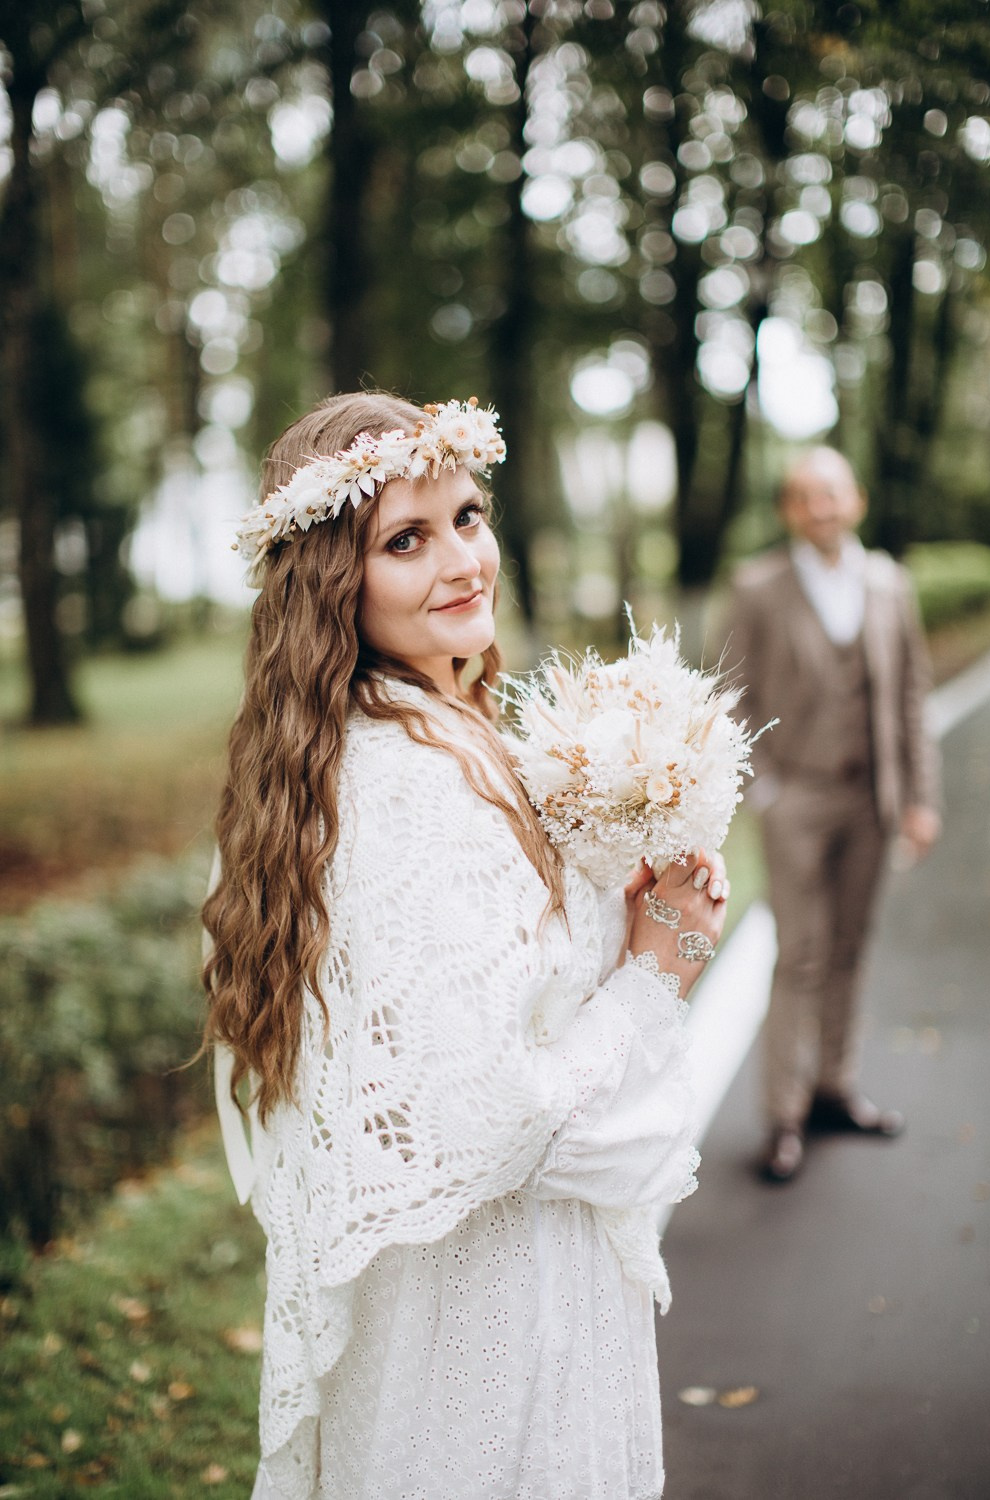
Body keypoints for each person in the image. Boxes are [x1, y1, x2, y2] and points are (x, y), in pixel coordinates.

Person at [202, 391, 730, 1500]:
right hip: (494, 1313)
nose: (460, 562)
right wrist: (656, 966)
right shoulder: (407, 786)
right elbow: (505, 1116)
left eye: (467, 518)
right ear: (332, 582)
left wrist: (611, 890)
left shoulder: (413, 735)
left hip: (475, 1290)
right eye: (405, 539)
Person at [721, 445, 941, 1185]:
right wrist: (766, 791)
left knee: (851, 947)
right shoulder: (757, 588)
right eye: (806, 497)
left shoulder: (889, 583)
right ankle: (782, 1114)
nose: (822, 508)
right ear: (788, 509)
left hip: (871, 798)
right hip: (798, 799)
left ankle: (833, 1090)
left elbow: (911, 694)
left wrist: (919, 798)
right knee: (801, 956)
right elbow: (732, 697)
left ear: (858, 500)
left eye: (834, 494)